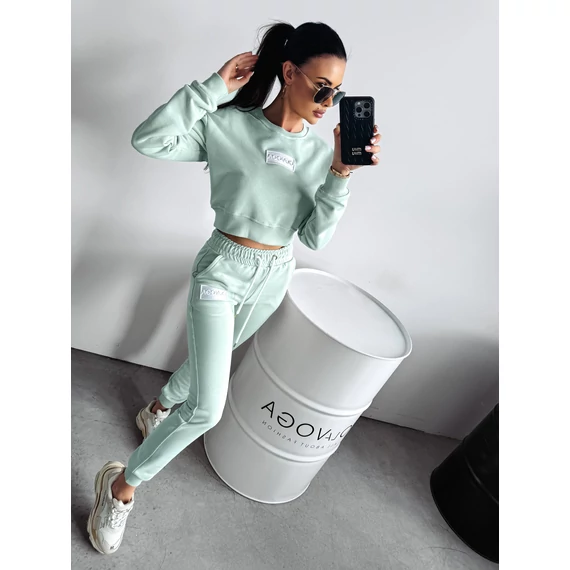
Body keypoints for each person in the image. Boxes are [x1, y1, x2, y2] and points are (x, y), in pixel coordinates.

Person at [87, 20, 381, 555]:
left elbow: (314, 236)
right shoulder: (227, 126)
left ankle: (158, 407)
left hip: (275, 274)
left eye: (337, 93)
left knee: (208, 366)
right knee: (208, 408)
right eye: (322, 88)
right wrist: (212, 88)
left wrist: (341, 173)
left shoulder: (321, 155)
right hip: (222, 268)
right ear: (289, 72)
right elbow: (148, 139)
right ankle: (121, 486)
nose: (328, 103)